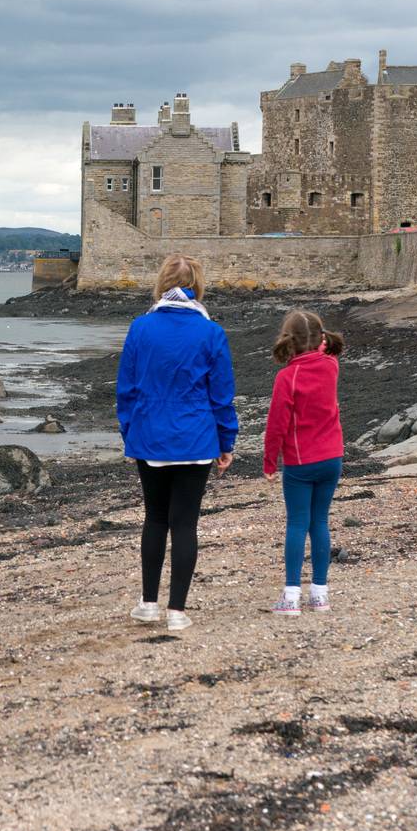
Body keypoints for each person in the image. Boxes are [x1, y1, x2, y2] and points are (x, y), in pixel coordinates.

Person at [115, 254, 238, 631]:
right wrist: (226, 440)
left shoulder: (141, 328)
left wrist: (129, 431)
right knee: (185, 524)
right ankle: (177, 612)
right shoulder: (211, 332)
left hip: (150, 436)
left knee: (155, 518)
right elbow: (221, 395)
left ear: (162, 283)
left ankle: (149, 603)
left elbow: (127, 390)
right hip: (197, 438)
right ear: (196, 286)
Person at [262, 310, 346, 616]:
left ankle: (292, 596)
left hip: (300, 462)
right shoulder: (331, 366)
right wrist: (321, 344)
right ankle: (320, 595)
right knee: (320, 522)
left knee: (298, 523)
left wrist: (270, 462)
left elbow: (276, 425)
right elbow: (323, 354)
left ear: (289, 341)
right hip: (332, 457)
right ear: (321, 339)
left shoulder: (288, 377)